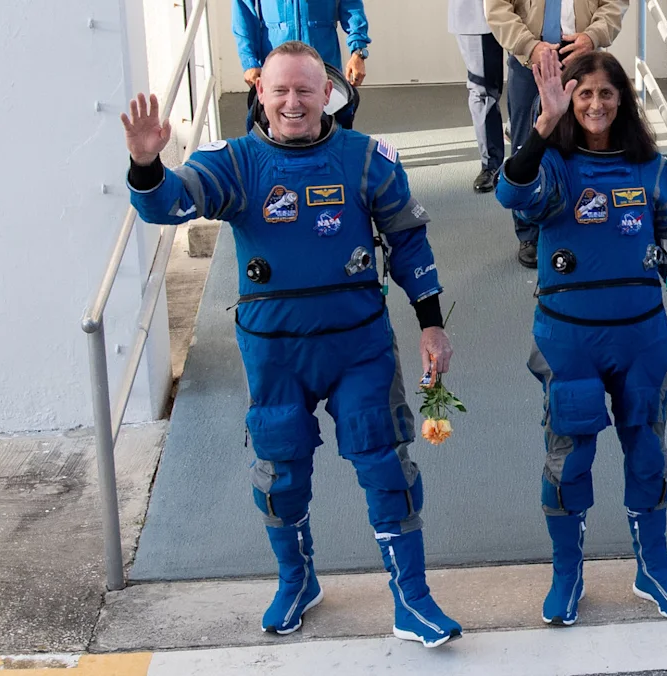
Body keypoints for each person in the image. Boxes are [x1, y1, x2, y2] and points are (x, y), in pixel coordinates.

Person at [121, 41, 462, 648]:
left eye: (305, 89)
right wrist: (148, 166)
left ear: (326, 93)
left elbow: (409, 242)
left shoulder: (365, 159)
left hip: (359, 346)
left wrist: (431, 322)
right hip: (274, 353)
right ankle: (296, 580)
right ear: (261, 93)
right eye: (280, 90)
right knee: (280, 472)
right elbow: (172, 203)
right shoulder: (235, 162)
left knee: (386, 465)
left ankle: (412, 598)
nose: (293, 102)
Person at [493, 49, 667, 626]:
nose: (596, 103)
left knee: (647, 454)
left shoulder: (654, 172)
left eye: (606, 93)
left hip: (643, 341)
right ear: (570, 101)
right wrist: (543, 124)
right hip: (568, 341)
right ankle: (568, 574)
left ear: (622, 100)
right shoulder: (554, 164)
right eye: (584, 94)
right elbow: (512, 192)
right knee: (569, 460)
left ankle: (652, 567)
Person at [484, 0, 629, 267]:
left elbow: (614, 4)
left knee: (587, 142)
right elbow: (497, 9)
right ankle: (528, 234)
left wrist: (592, 36)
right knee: (526, 144)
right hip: (529, 60)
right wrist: (530, 46)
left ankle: (586, 218)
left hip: (584, 57)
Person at [232, 0, 370, 128]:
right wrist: (249, 61)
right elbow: (243, 11)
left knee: (333, 129)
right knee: (272, 130)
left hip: (323, 65)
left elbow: (352, 6)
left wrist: (358, 51)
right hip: (276, 67)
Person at [448, 0, 505, 193]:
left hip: (533, 10)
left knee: (532, 79)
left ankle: (524, 140)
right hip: (476, 11)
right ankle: (491, 164)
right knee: (483, 90)